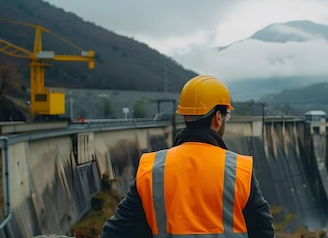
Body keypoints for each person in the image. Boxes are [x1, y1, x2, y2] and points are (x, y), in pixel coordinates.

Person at [101, 75, 275, 238]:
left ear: (186, 115)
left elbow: (113, 233)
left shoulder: (151, 169)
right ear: (218, 118)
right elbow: (264, 231)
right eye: (226, 115)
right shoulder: (239, 170)